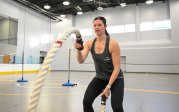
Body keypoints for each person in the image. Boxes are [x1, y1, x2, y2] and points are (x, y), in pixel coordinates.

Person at [74, 16, 124, 112]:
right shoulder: (89, 43)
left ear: (105, 26)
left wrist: (108, 87)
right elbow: (80, 61)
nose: (97, 27)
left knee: (117, 107)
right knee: (86, 102)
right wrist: (78, 50)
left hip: (116, 78)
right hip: (100, 78)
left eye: (99, 25)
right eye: (95, 25)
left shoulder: (113, 44)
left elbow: (117, 68)